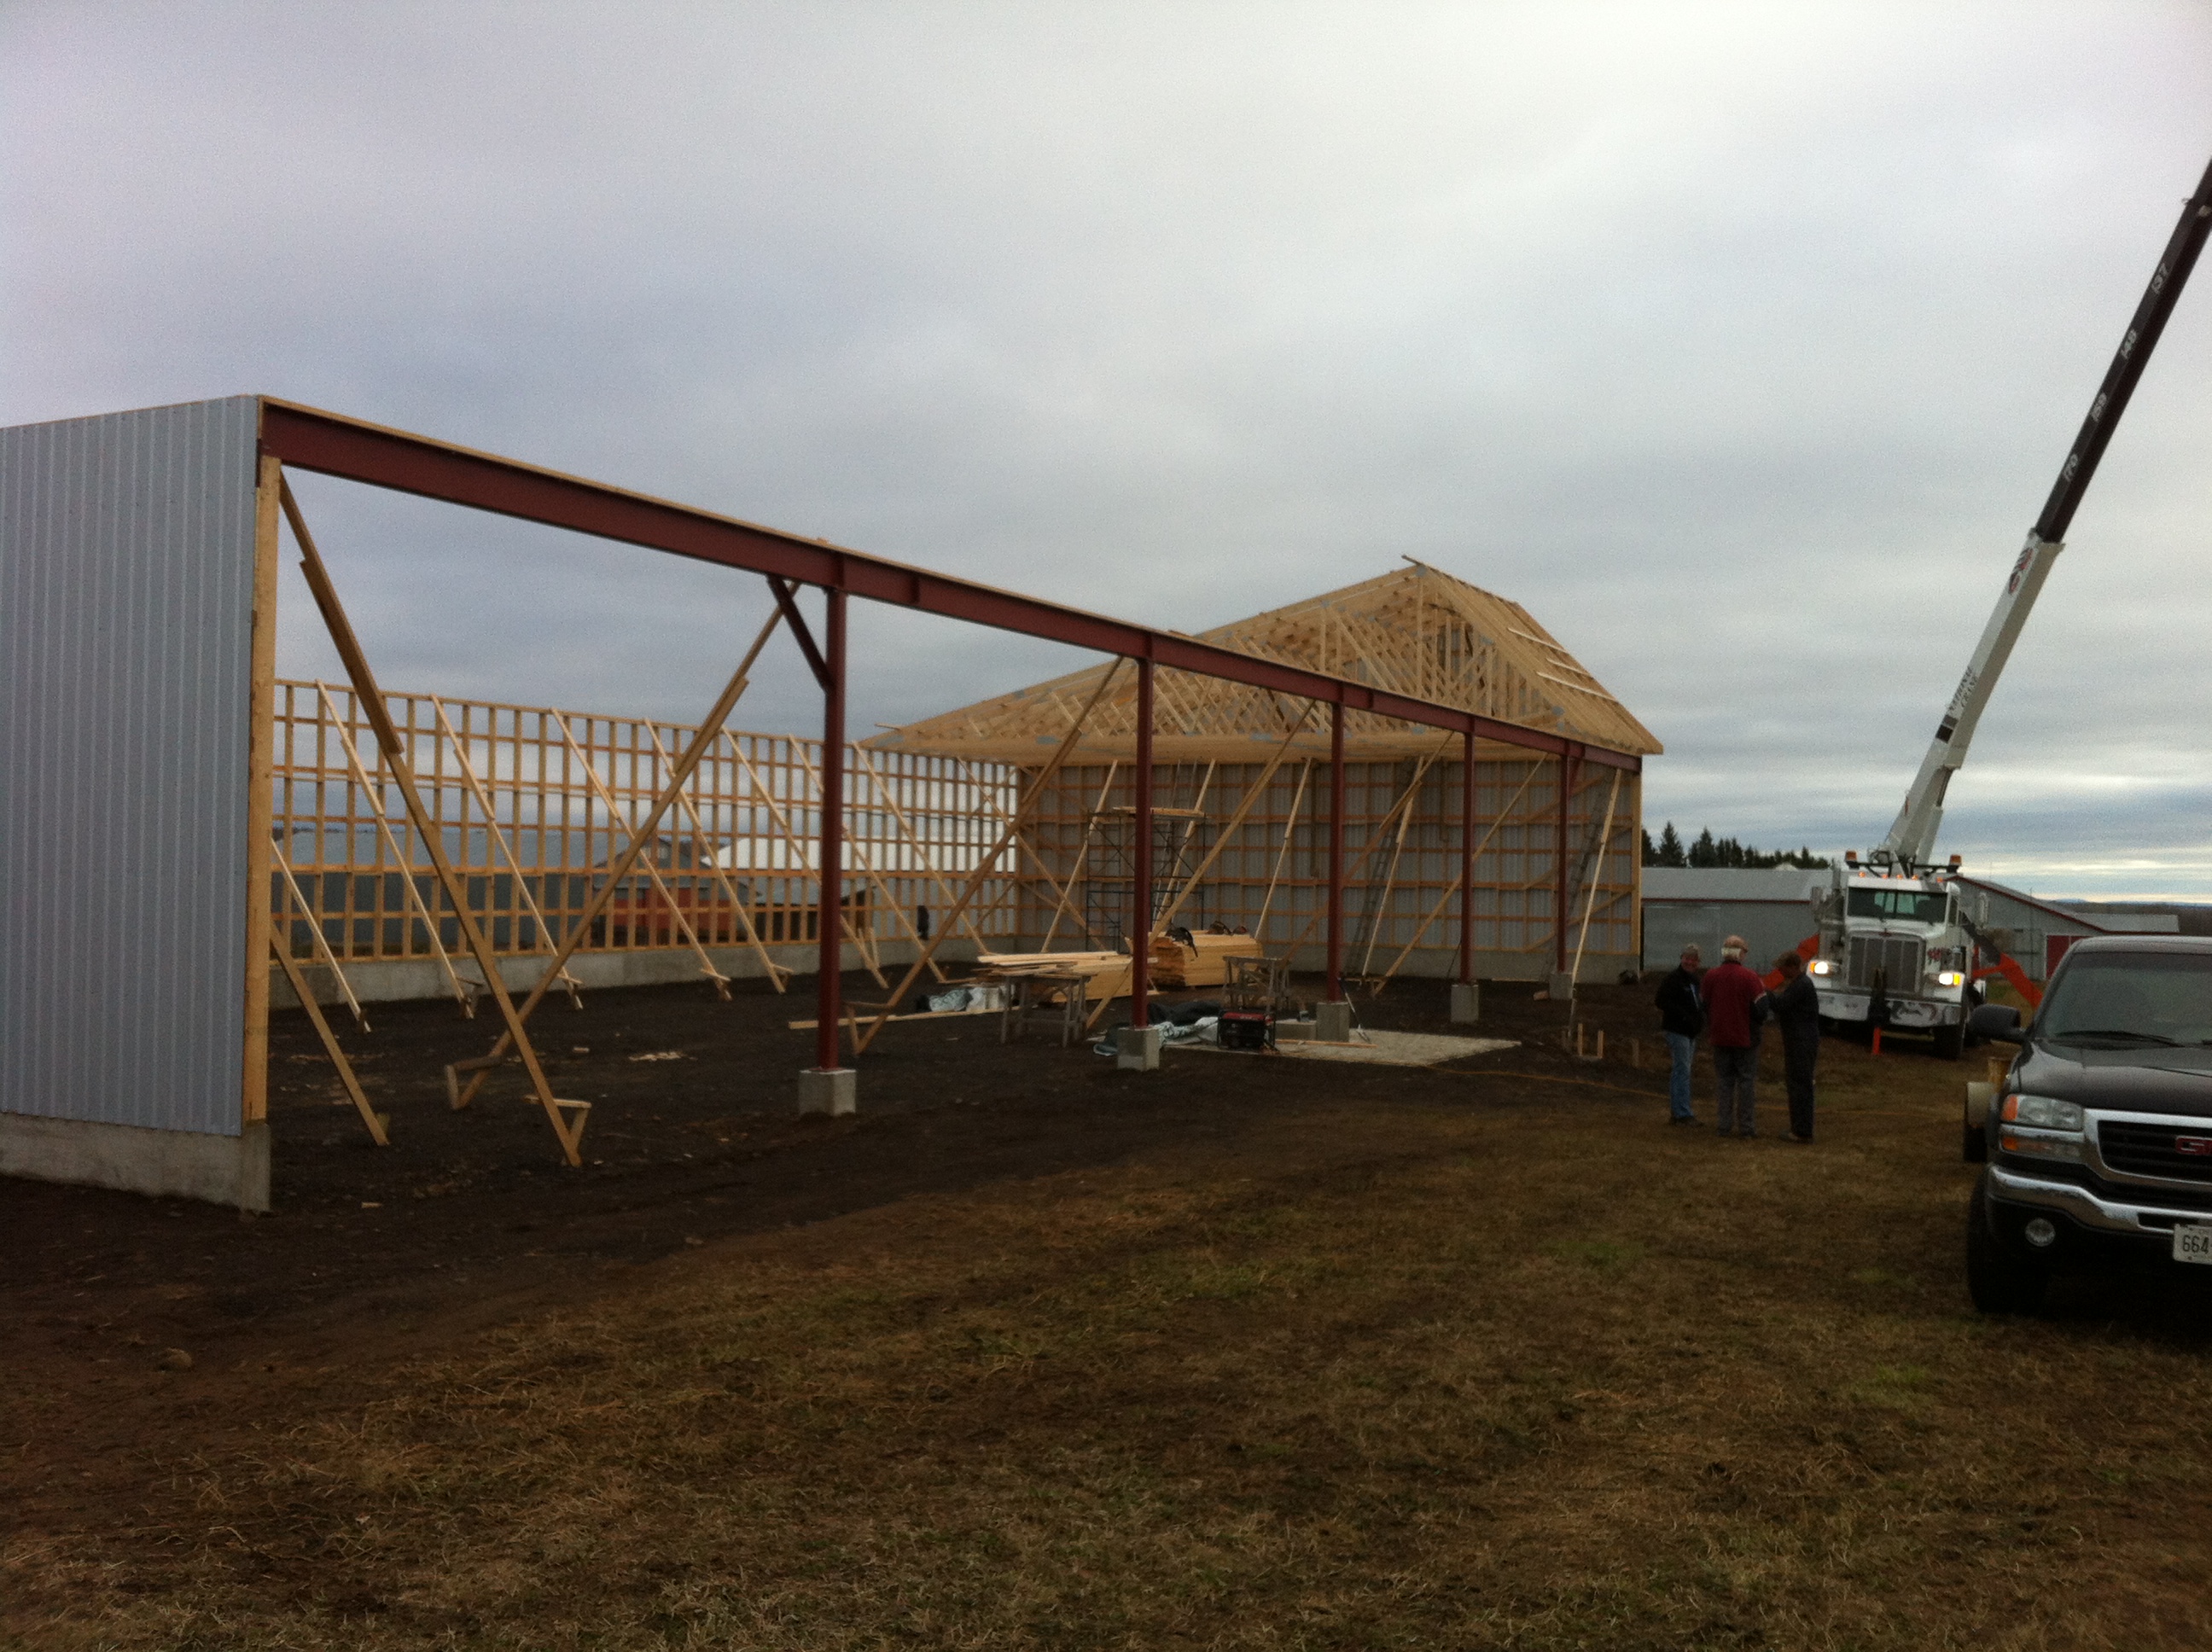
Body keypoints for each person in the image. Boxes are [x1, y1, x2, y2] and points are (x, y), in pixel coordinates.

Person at [1700, 935, 1767, 1137]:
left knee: (1724, 1082)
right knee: (1746, 1083)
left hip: (1719, 1036)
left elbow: (1703, 1004)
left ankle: (1724, 1125)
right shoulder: (1750, 977)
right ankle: (1746, 1128)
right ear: (1741, 954)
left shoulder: (1711, 976)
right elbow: (1761, 1010)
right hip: (1745, 1039)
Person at [1761, 951, 1821, 1142]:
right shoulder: (1800, 984)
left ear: (1792, 967)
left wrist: (1765, 991)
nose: (1780, 971)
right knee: (1799, 1084)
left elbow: (1781, 1005)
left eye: (1782, 967)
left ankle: (1802, 1131)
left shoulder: (1801, 985)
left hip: (1801, 1042)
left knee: (1799, 1085)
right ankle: (1800, 1128)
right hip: (1802, 1040)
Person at [1653, 944, 1705, 1124]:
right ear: (1681, 958)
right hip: (1677, 1030)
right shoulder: (1673, 979)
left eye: (1693, 959)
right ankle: (1682, 1112)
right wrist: (1683, 1015)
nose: (1689, 962)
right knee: (1682, 1070)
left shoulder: (1695, 981)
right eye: (1687, 958)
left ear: (1698, 962)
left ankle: (1679, 1111)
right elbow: (1660, 1001)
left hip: (1691, 1032)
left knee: (1683, 1070)